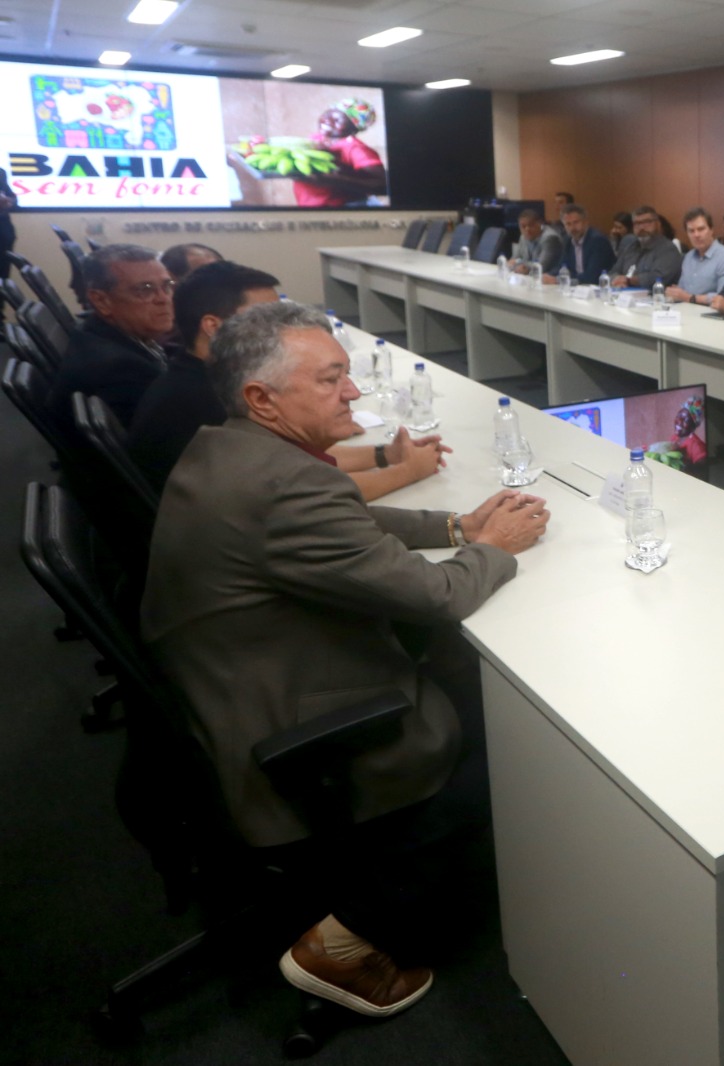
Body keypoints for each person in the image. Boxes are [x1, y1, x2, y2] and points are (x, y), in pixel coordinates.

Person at [142, 300, 551, 1018]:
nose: (353, 391)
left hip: (234, 683)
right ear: (262, 398)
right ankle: (350, 936)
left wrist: (457, 524)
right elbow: (439, 595)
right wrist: (495, 547)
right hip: (287, 725)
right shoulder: (285, 485)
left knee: (469, 674)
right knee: (528, 743)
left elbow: (347, 516)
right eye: (330, 379)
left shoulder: (231, 448)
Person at [127, 261, 447, 500]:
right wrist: (408, 470)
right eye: (264, 317)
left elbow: (301, 459)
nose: (281, 326)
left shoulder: (199, 375)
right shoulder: (204, 401)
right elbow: (307, 492)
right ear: (214, 326)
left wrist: (385, 454)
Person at [47, 243, 172, 428]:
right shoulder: (122, 370)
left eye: (167, 286)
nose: (164, 299)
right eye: (145, 289)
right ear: (101, 301)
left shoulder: (97, 332)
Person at [292, 98, 387, 208]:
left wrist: (338, 179)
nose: (328, 121)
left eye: (337, 120)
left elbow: (382, 185)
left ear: (354, 129)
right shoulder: (315, 139)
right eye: (327, 114)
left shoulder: (355, 149)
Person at [664, 206, 724, 306]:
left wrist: (689, 298)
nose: (696, 235)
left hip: (711, 313)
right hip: (685, 310)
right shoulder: (688, 257)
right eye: (691, 231)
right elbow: (682, 291)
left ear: (711, 230)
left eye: (701, 229)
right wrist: (674, 294)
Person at [610, 205, 683, 290]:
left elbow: (658, 278)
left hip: (655, 296)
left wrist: (629, 280)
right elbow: (613, 272)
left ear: (658, 224)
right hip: (625, 294)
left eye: (647, 222)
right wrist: (616, 279)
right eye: (637, 223)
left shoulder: (668, 249)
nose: (641, 227)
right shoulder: (630, 247)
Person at [550, 204, 615, 285]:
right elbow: (561, 266)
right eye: (568, 224)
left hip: (598, 287)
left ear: (585, 222)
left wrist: (559, 280)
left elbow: (592, 276)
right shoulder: (567, 241)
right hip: (577, 287)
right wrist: (548, 276)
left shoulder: (597, 241)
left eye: (576, 222)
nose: (572, 228)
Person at [510, 207, 563, 277]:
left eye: (531, 225)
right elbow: (513, 260)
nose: (527, 229)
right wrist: (517, 265)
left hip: (549, 278)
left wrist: (522, 264)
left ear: (540, 224)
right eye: (523, 226)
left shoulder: (550, 238)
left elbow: (541, 267)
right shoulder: (523, 237)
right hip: (529, 277)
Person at [0, 166, 14, 280]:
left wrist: (8, 201)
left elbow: (13, 198)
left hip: (4, 233)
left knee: (3, 277)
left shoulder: (1, 173)